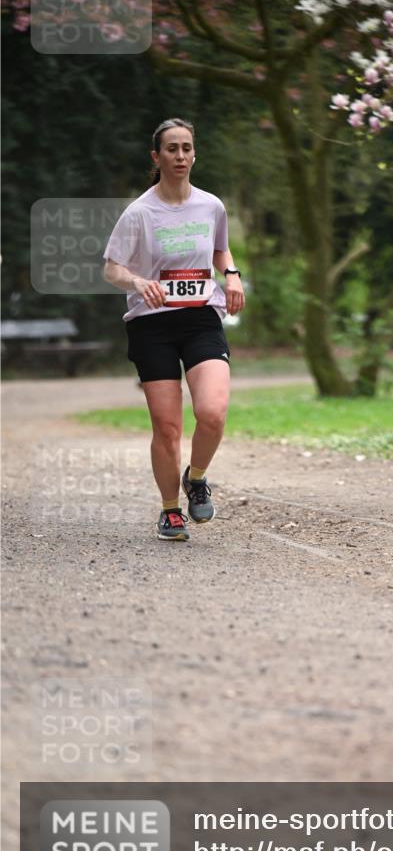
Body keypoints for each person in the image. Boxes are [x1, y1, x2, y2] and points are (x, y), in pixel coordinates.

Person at [103, 117, 245, 541]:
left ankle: (196, 478)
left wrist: (232, 274)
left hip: (201, 317)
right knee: (167, 427)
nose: (180, 155)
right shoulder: (140, 212)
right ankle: (170, 511)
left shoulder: (211, 205)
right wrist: (138, 282)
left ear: (194, 153)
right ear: (157, 157)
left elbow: (220, 248)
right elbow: (112, 267)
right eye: (172, 149)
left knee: (213, 412)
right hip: (152, 325)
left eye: (186, 148)